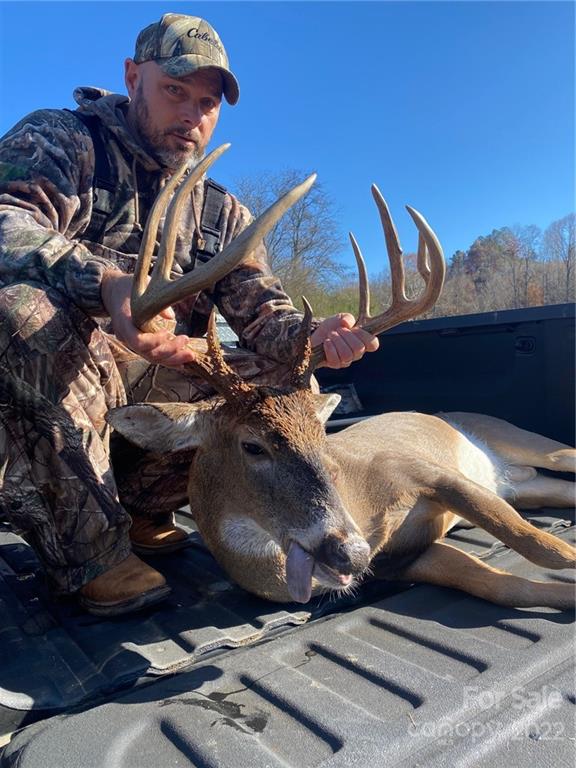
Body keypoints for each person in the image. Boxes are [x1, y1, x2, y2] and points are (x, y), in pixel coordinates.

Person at [0, 12, 378, 616]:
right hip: (50, 396)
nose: (191, 114)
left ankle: (144, 508)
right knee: (22, 314)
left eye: (207, 102)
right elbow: (6, 221)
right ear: (132, 77)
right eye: (174, 91)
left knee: (284, 382)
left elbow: (265, 317)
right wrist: (105, 286)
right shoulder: (63, 142)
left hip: (147, 403)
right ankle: (94, 552)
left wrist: (314, 334)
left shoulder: (221, 214)